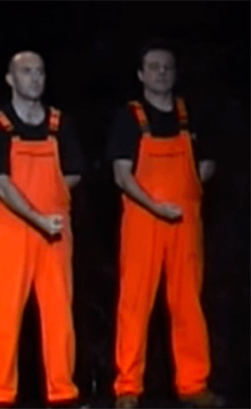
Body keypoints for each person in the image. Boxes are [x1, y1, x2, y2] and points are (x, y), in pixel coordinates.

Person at [108, 41, 224, 409]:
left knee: (188, 304)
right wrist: (155, 205)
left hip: (185, 223)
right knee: (134, 304)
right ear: (141, 75)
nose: (161, 73)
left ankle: (194, 384)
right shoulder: (130, 117)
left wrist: (189, 189)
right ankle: (128, 387)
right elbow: (121, 174)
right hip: (143, 221)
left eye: (167, 67)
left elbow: (207, 163)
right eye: (154, 67)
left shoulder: (190, 115)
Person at [0, 50, 84, 407]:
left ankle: (63, 391)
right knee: (6, 314)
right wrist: (37, 216)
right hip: (12, 231)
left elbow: (73, 172)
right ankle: (1, 395)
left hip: (55, 230)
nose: (35, 78)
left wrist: (51, 203)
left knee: (59, 313)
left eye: (40, 71)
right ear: (11, 79)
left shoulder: (60, 123)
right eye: (26, 72)